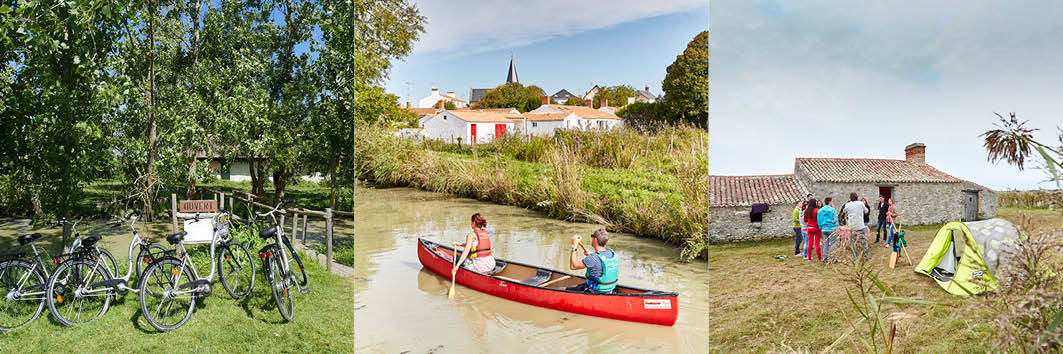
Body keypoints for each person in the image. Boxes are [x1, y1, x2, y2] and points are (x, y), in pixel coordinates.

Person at [567, 229, 619, 293]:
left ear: (595, 239)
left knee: (562, 288)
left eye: (592, 236)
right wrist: (591, 254)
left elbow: (573, 266)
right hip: (610, 289)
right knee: (576, 286)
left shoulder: (593, 258)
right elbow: (601, 260)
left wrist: (574, 246)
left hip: (594, 291)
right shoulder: (612, 253)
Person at [843, 193, 871, 260]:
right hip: (860, 225)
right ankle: (866, 256)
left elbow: (844, 211)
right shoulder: (861, 203)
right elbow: (866, 211)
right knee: (863, 241)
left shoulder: (848, 204)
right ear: (857, 197)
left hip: (852, 226)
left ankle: (855, 257)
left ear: (850, 198)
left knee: (853, 242)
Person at [817, 197, 838, 263]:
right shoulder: (832, 210)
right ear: (829, 202)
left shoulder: (820, 211)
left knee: (825, 244)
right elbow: (836, 220)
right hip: (832, 228)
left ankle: (825, 258)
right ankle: (833, 259)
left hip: (824, 229)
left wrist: (821, 227)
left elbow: (818, 221)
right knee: (833, 243)